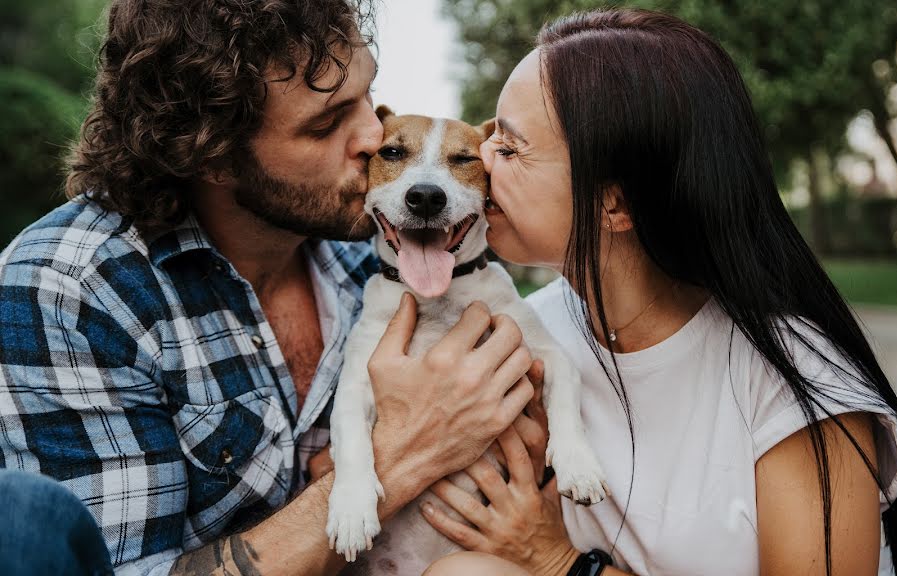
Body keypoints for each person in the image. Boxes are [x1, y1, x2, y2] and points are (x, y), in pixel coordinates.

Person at [0, 1, 547, 574]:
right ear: (213, 156)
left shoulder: (377, 252)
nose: (373, 135)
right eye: (327, 123)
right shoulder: (73, 292)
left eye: (365, 95)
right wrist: (405, 453)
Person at [420, 8, 897, 576]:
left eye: (511, 146)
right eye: (489, 132)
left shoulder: (795, 381)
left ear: (614, 203)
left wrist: (558, 561)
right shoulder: (525, 334)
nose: (480, 159)